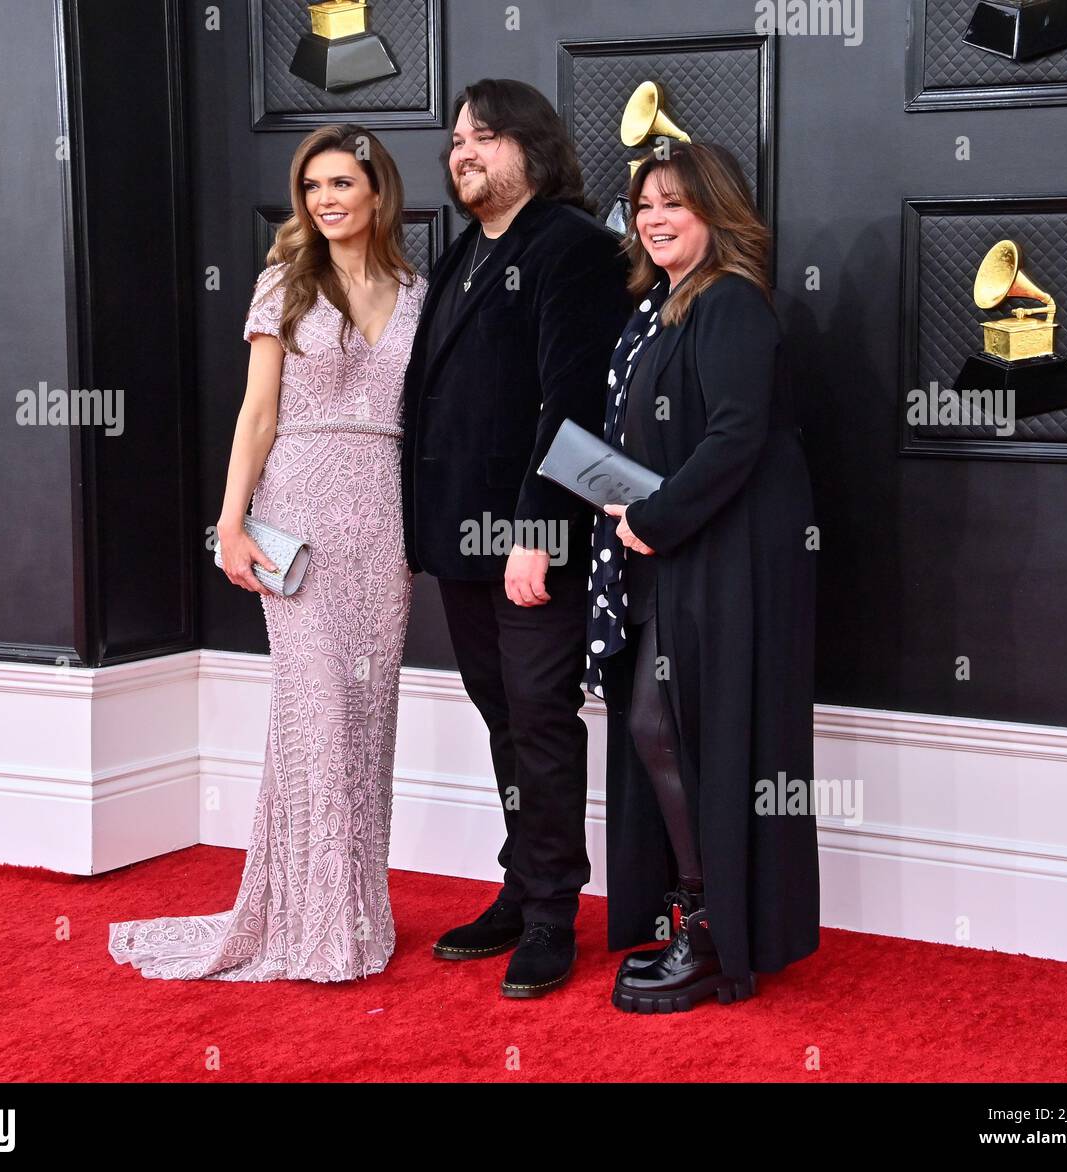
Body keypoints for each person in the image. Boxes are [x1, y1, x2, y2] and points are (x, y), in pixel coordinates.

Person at [108, 124, 426, 982]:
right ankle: (312, 927)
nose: (325, 200)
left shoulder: (418, 290)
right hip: (298, 516)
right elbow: (257, 414)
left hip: (382, 524)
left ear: (377, 192)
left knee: (366, 722)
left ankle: (355, 912)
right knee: (317, 711)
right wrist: (231, 522)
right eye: (312, 187)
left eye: (341, 184)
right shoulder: (285, 283)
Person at [400, 79, 632, 998]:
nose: (463, 152)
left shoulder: (573, 247)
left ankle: (551, 917)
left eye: (484, 137)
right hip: (458, 543)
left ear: (531, 150)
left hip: (532, 544)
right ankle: (518, 887)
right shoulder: (461, 253)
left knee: (539, 722)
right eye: (457, 139)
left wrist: (537, 530)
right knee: (506, 723)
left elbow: (577, 404)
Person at [588, 142, 820, 1013]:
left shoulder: (728, 303)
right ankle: (700, 913)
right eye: (644, 204)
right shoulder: (663, 307)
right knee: (663, 727)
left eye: (674, 204)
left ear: (715, 213)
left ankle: (716, 932)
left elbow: (735, 436)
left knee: (680, 728)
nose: (653, 219)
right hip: (684, 551)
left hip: (730, 558)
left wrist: (650, 517)